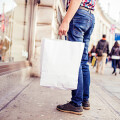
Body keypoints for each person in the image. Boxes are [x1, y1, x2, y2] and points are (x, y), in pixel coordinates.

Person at [56, 0, 96, 115]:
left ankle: (76, 103)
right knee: (83, 61)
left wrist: (65, 21)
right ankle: (84, 100)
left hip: (78, 14)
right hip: (90, 16)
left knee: (75, 60)